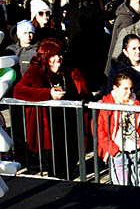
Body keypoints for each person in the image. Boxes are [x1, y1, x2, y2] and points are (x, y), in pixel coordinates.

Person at [13, 37, 89, 177]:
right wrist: (48, 93)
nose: (58, 58)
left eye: (60, 54)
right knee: (56, 170)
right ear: (45, 56)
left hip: (70, 127)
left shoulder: (69, 70)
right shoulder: (37, 70)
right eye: (53, 55)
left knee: (71, 165)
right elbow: (19, 90)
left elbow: (82, 93)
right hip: (49, 129)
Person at [95, 72, 140, 186]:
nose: (129, 92)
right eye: (125, 88)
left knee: (138, 184)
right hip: (118, 151)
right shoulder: (106, 105)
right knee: (121, 186)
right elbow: (101, 130)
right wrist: (113, 150)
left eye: (131, 89)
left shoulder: (139, 104)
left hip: (137, 150)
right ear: (115, 88)